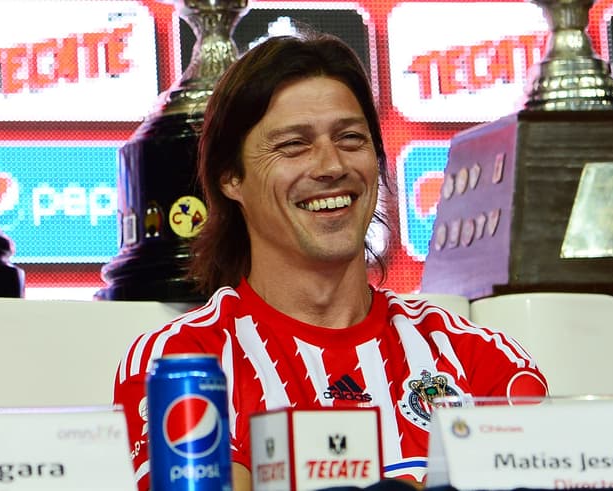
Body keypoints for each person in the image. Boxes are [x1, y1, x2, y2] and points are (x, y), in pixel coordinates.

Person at [112, 33, 547, 490]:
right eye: (293, 145)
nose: (331, 166)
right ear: (231, 178)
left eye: (351, 138)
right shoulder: (180, 362)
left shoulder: (478, 357)